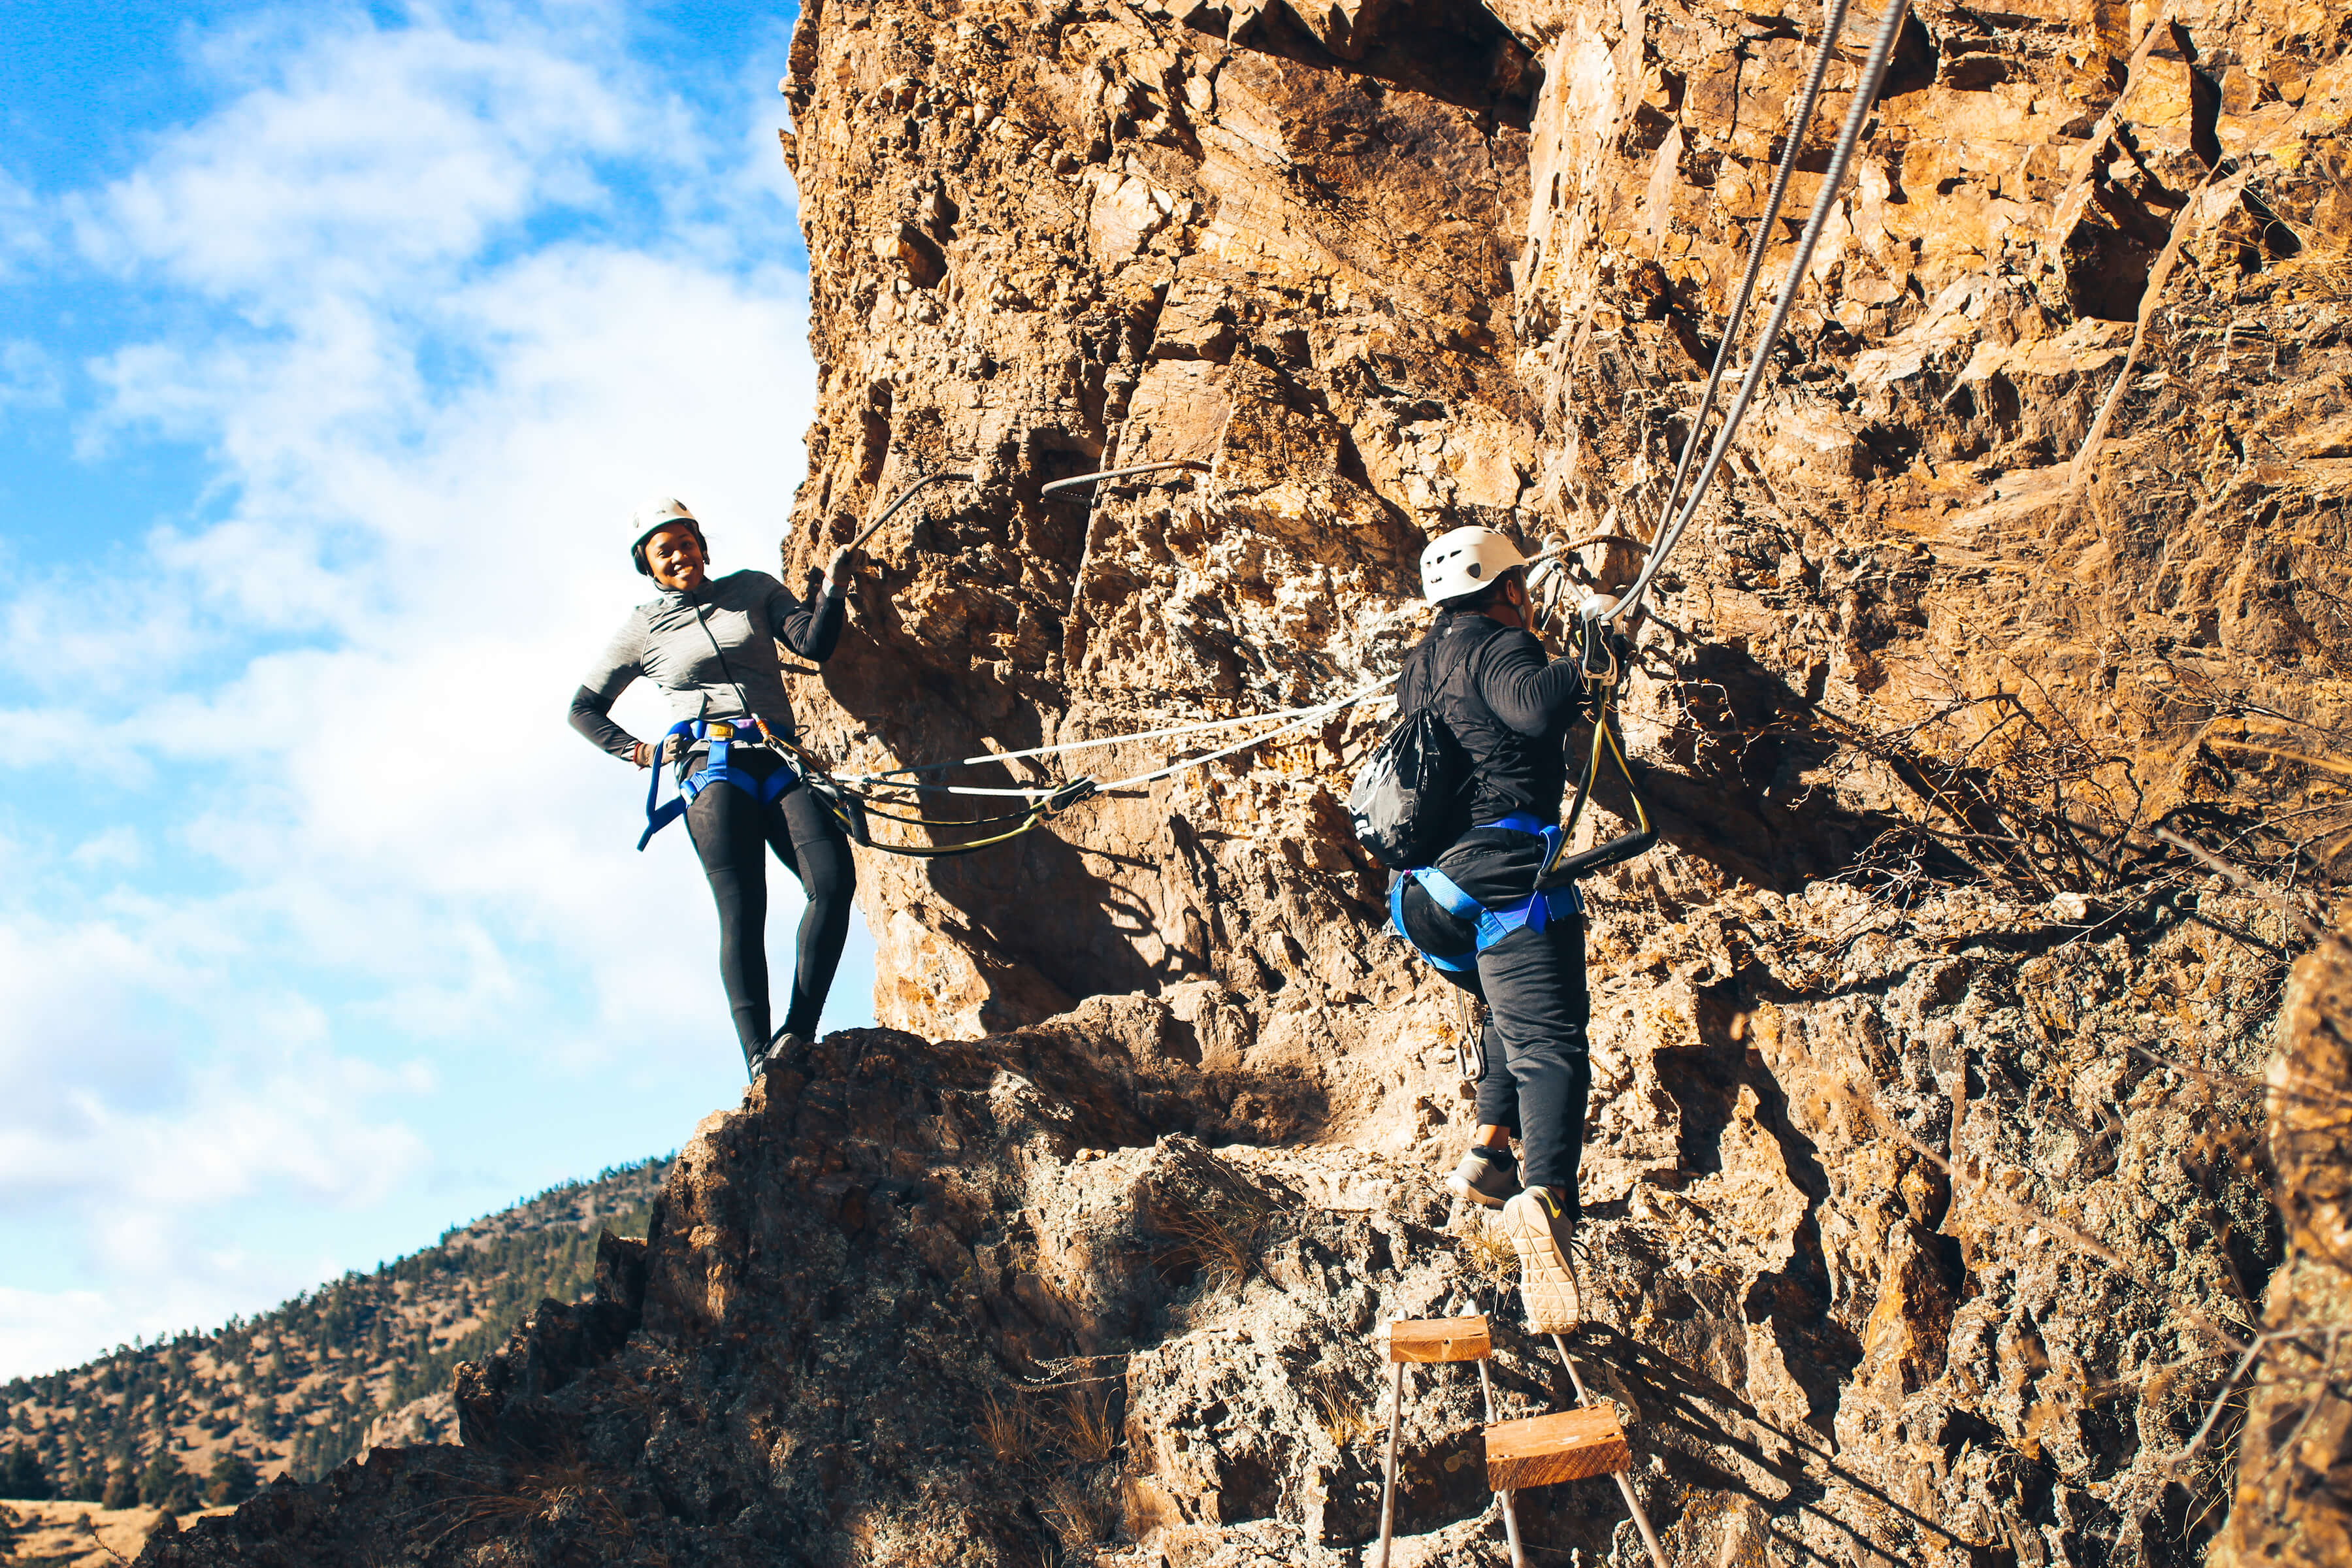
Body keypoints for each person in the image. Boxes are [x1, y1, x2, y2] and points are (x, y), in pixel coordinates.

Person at [569, 498, 857, 1081]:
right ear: (647, 566)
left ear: (702, 544)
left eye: (686, 542)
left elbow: (812, 643)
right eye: (663, 550)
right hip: (712, 768)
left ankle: (796, 1035)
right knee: (744, 910)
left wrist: (832, 590)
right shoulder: (642, 627)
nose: (679, 555)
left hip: (779, 758)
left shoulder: (752, 588)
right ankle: (760, 1061)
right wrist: (641, 752)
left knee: (832, 883)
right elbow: (583, 708)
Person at [1392, 525, 1598, 1332]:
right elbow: (1530, 707)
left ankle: (1488, 1155)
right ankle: (1546, 1204)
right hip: (1502, 874)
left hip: (1425, 898)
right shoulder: (1493, 646)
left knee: (1513, 1016)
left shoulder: (1421, 664)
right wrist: (1587, 662)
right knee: (1553, 1042)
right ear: (1508, 589)